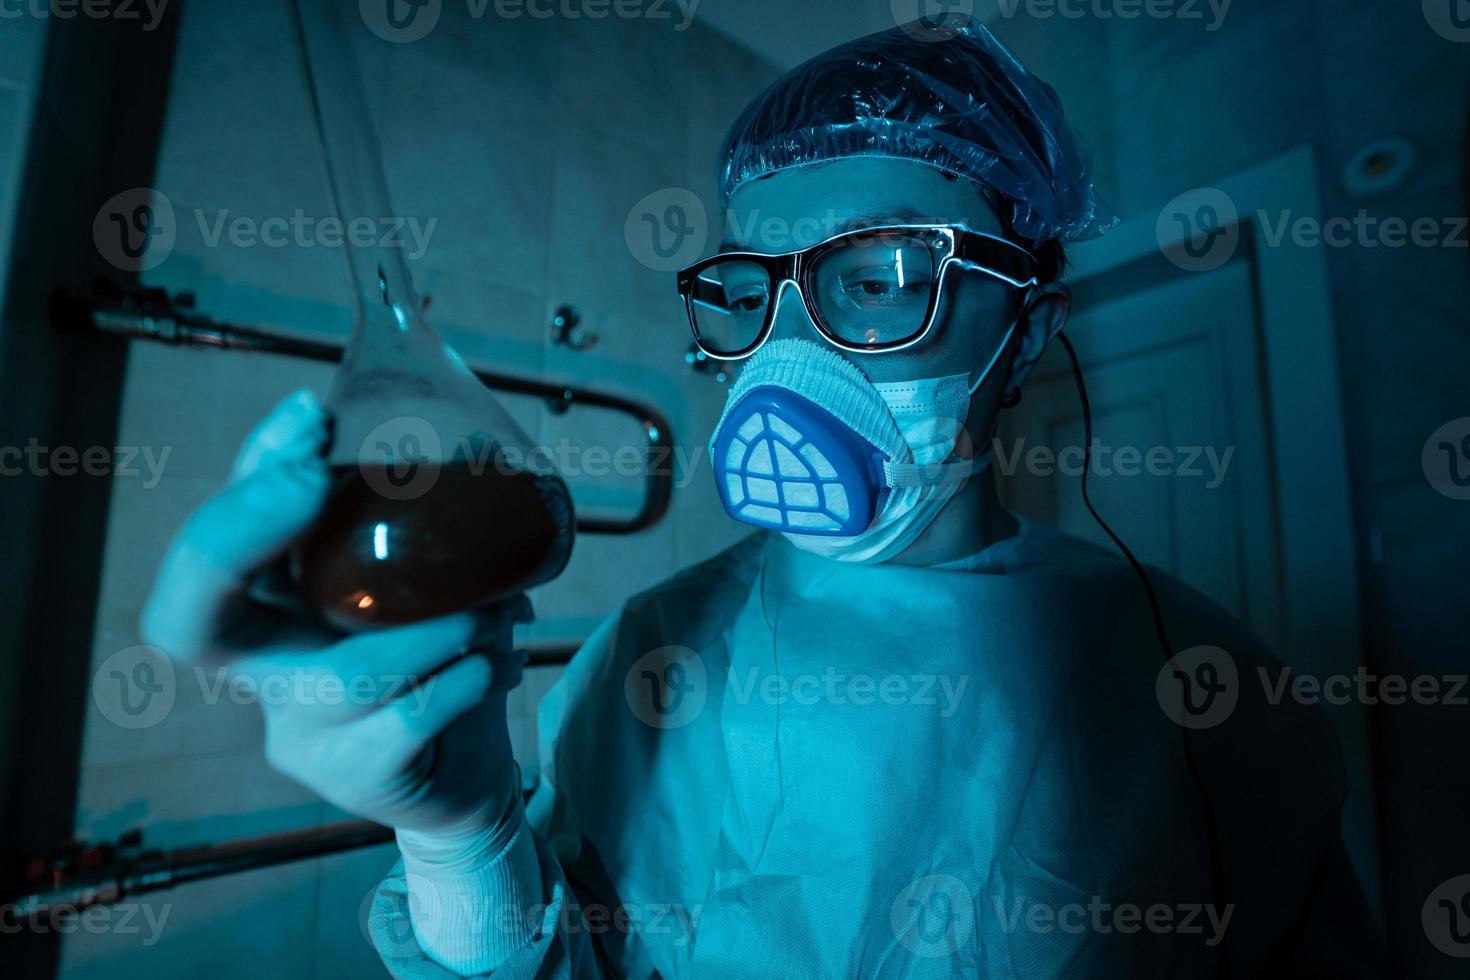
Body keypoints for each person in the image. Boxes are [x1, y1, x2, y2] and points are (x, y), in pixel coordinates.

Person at [142, 17, 1382, 978]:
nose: (789, 353)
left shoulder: (1208, 688)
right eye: (753, 287)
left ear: (1031, 325)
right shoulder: (643, 655)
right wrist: (463, 838)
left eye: (886, 271)